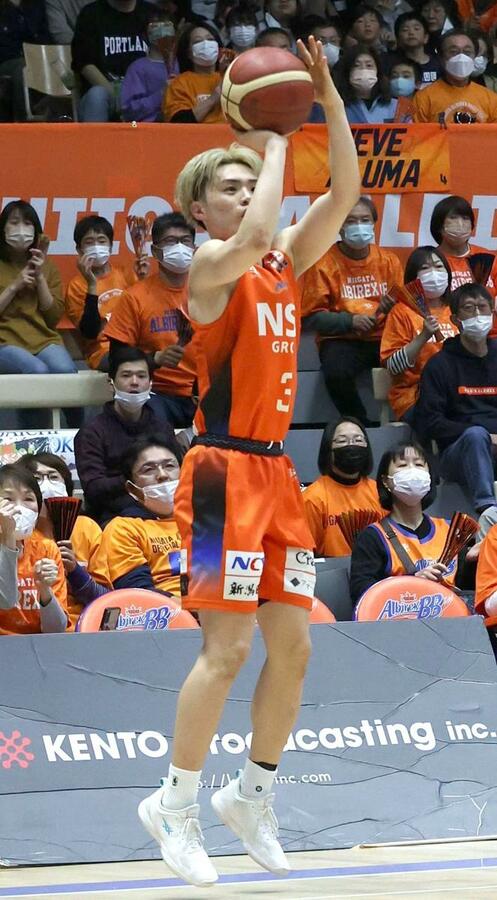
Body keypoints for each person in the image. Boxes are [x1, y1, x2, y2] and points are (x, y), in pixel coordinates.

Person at [137, 36, 360, 887]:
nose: (245, 193)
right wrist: (270, 138)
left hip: (275, 477)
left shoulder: (280, 264)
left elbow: (342, 195)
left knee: (293, 649)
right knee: (225, 651)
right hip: (216, 479)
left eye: (247, 181)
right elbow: (265, 222)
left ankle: (250, 796)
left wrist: (327, 103)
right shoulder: (210, 268)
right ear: (202, 211)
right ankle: (174, 804)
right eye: (227, 187)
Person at [301, 195, 403, 426]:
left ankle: (409, 415)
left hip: (384, 338)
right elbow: (310, 317)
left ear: (374, 224)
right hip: (342, 340)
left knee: (417, 359)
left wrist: (390, 310)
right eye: (350, 220)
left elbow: (404, 307)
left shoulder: (389, 261)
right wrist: (349, 321)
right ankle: (358, 423)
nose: (359, 226)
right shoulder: (323, 263)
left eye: (364, 220)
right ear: (338, 226)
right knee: (336, 372)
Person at [414, 284, 497, 529]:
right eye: (469, 309)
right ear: (455, 319)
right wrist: (486, 437)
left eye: (482, 308)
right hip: (458, 452)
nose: (477, 315)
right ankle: (488, 511)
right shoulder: (440, 365)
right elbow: (429, 423)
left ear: (492, 312)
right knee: (476, 436)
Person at [104, 212, 197, 427]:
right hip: (156, 392)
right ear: (155, 251)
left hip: (203, 392)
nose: (179, 247)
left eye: (185, 241)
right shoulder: (135, 297)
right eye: (171, 241)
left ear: (194, 248)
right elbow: (117, 358)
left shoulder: (211, 292)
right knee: (152, 424)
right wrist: (156, 359)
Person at [74, 347, 178, 525]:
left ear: (150, 383)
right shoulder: (92, 431)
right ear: (111, 383)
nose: (134, 382)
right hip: (114, 517)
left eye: (141, 376)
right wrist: (136, 478)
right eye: (126, 375)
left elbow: (178, 472)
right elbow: (93, 489)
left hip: (166, 512)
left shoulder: (162, 427)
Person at [0, 200, 77, 424]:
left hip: (43, 339)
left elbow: (53, 318)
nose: (21, 229)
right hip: (5, 341)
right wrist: (15, 285)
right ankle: (37, 437)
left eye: (27, 224)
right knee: (36, 371)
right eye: (14, 223)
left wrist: (40, 276)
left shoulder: (48, 266)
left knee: (65, 371)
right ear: (3, 229)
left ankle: (79, 431)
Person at [350, 443, 457, 605]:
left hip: (452, 615)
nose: (412, 471)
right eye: (402, 465)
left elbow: (469, 587)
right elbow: (361, 592)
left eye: (419, 464)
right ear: (386, 481)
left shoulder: (451, 530)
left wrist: (474, 561)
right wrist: (410, 583)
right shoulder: (372, 536)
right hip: (401, 617)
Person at [23, 452, 110, 628]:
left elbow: (106, 600)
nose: (46, 485)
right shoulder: (18, 533)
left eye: (53, 477)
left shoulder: (86, 527)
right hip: (31, 627)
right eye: (36, 478)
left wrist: (75, 571)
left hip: (84, 627)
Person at [380, 247, 457, 422]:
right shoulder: (401, 312)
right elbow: (393, 367)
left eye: (439, 266)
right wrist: (423, 336)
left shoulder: (457, 308)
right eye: (425, 268)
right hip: (415, 395)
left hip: (456, 392)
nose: (434, 273)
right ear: (413, 276)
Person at [101, 434, 183, 593]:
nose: (162, 475)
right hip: (163, 607)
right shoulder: (123, 529)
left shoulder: (206, 521)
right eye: (149, 469)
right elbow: (138, 590)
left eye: (169, 466)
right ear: (132, 489)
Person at [65, 215, 149, 371]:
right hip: (103, 351)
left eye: (102, 241)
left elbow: (147, 314)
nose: (96, 246)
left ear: (110, 247)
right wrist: (92, 285)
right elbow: (90, 333)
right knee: (132, 362)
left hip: (135, 343)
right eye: (89, 242)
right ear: (79, 250)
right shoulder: (76, 287)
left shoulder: (127, 275)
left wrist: (143, 280)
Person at [0, 464, 69, 635]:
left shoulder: (46, 548)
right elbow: (6, 600)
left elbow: (56, 629)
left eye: (28, 499)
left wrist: (45, 590)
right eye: (8, 499)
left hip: (39, 645)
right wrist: (8, 536)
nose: (19, 508)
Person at [303, 417, 382, 557]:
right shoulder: (312, 498)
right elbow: (306, 553)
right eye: (342, 441)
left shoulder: (379, 491)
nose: (351, 445)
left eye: (358, 440)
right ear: (328, 450)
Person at [71, 0, 152, 122]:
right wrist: (117, 97)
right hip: (106, 91)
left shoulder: (151, 14)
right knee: (97, 95)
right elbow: (84, 63)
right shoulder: (91, 14)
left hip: (143, 92)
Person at [414, 28, 497, 123]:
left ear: (474, 57)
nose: (461, 57)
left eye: (467, 52)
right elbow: (416, 131)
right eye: (453, 52)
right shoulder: (424, 98)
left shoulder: (491, 99)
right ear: (441, 58)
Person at [430, 195, 497, 294]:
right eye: (453, 218)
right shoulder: (430, 261)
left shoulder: (489, 259)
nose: (460, 224)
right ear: (439, 226)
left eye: (465, 218)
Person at [121, 8, 179, 122]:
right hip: (149, 127)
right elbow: (128, 111)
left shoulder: (181, 63)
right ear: (145, 35)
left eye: (166, 26)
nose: (161, 32)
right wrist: (161, 94)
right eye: (155, 27)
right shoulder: (138, 68)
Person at [162, 21, 224, 123]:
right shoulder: (180, 83)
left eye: (210, 39)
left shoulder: (231, 79)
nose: (206, 44)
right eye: (198, 41)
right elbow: (178, 122)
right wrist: (213, 99)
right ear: (188, 53)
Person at [0, 0, 50, 121]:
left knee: (64, 66)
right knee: (23, 69)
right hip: (8, 61)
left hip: (39, 58)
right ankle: (23, 122)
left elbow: (45, 37)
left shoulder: (36, 5)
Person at [333, 44, 397, 123]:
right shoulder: (334, 106)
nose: (363, 69)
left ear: (378, 71)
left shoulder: (396, 107)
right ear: (347, 71)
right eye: (356, 65)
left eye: (369, 65)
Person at [393, 12, 442, 87]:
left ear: (426, 37)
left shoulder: (439, 63)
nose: (411, 33)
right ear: (398, 39)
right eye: (405, 30)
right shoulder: (392, 64)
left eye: (416, 29)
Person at [388, 55, 422, 120]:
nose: (399, 80)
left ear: (417, 84)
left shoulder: (423, 106)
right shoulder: (382, 107)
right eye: (394, 76)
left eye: (406, 76)